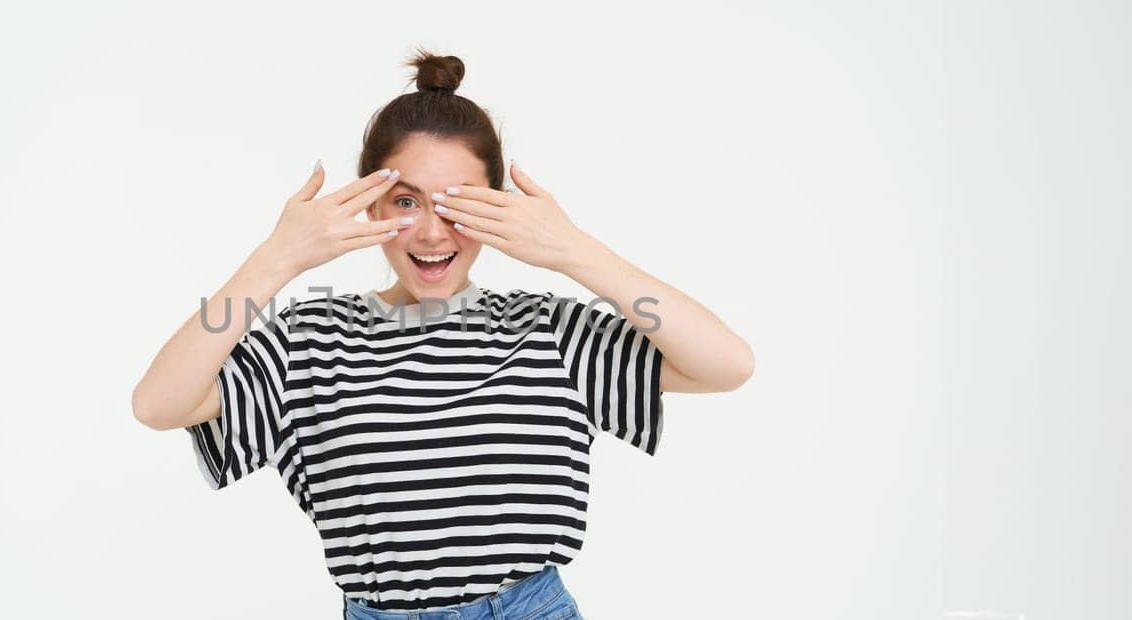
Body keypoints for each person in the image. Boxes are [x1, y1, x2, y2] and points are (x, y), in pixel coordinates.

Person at [131, 49, 755, 619]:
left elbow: (726, 363)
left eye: (459, 203)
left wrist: (577, 253)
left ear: (500, 208)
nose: (433, 232)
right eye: (406, 202)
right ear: (369, 206)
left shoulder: (547, 330)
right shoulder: (309, 339)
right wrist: (273, 261)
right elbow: (159, 403)